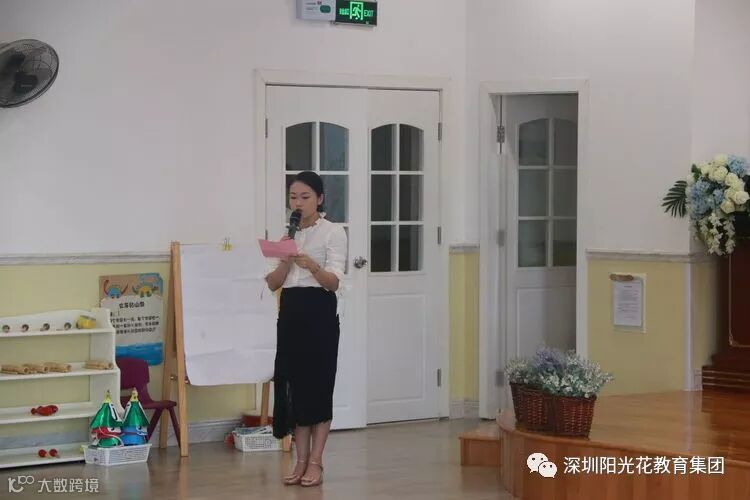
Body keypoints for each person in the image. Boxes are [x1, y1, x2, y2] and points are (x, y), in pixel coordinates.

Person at [265, 170, 347, 487]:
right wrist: (285, 259)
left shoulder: (332, 232)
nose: (298, 203)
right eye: (293, 197)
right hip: (290, 315)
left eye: (305, 197)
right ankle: (299, 461)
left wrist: (311, 264)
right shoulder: (287, 236)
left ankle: (316, 462)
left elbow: (334, 282)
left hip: (320, 314)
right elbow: (273, 283)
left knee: (318, 387)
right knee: (295, 388)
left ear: (320, 199)